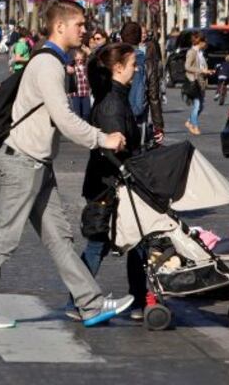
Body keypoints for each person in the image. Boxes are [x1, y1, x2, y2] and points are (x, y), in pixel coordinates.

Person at [0, 0, 132, 330]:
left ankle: (90, 304)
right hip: (24, 163)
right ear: (60, 27)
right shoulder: (49, 65)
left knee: (59, 238)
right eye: (79, 25)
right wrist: (103, 138)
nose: (84, 30)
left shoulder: (54, 61)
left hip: (38, 163)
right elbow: (65, 119)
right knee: (5, 237)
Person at [66, 42, 147, 322]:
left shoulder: (114, 96)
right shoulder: (112, 102)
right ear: (118, 68)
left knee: (125, 241)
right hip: (109, 185)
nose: (137, 70)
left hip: (109, 184)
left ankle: (136, 300)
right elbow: (113, 148)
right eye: (133, 65)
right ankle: (132, 302)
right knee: (102, 243)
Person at [184, 33, 214, 136]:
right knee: (197, 105)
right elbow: (187, 67)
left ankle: (189, 122)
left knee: (201, 106)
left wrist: (207, 71)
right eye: (205, 41)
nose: (206, 44)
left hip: (200, 82)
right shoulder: (192, 52)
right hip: (194, 82)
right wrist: (201, 70)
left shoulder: (200, 53)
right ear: (200, 42)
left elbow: (202, 66)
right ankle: (194, 126)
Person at [68, 49, 92, 121]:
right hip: (75, 94)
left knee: (86, 113)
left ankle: (86, 127)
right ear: (74, 59)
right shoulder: (72, 68)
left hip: (85, 93)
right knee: (76, 113)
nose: (79, 61)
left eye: (81, 59)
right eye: (77, 60)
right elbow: (68, 81)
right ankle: (78, 130)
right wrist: (68, 91)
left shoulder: (86, 68)